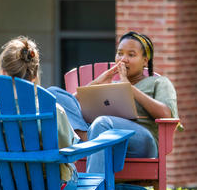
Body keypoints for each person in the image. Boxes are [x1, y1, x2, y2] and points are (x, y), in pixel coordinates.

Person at [50, 31, 178, 173]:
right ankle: (89, 138)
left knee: (102, 122)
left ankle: (95, 187)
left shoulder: (158, 82)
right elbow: (70, 104)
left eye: (131, 54)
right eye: (120, 53)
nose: (123, 59)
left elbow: (167, 113)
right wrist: (99, 81)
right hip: (103, 135)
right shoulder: (112, 84)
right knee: (55, 94)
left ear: (145, 60)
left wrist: (128, 88)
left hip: (141, 141)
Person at [0, 36, 79, 190]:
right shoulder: (52, 110)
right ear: (34, 76)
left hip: (5, 189)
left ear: (3, 73)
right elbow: (67, 147)